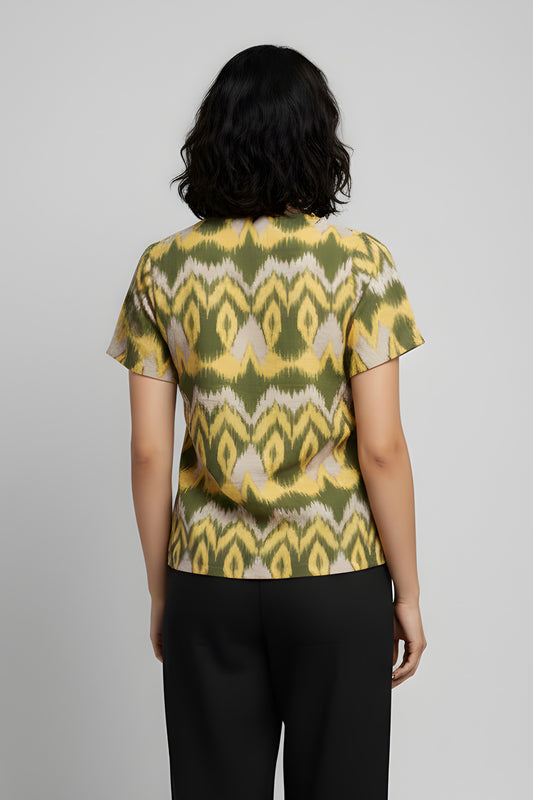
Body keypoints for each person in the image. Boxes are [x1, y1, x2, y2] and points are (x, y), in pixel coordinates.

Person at [105, 43, 428, 800]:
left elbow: (149, 452)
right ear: (319, 142)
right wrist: (407, 595)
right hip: (336, 576)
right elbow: (381, 448)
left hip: (207, 577)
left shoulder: (162, 268)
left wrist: (163, 590)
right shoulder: (359, 263)